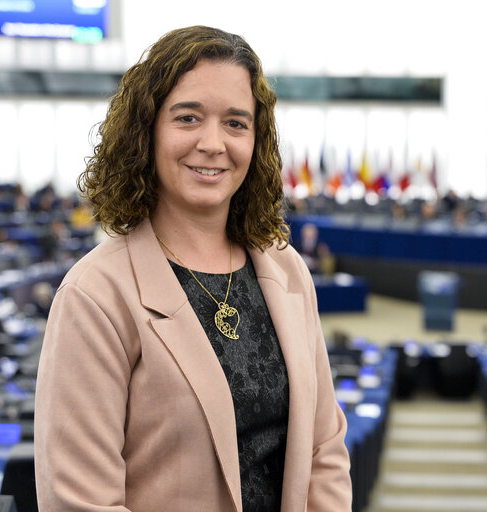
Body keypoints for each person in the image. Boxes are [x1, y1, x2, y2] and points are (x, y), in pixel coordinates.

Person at [34, 26, 352, 512]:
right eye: (188, 117)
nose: (212, 143)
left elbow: (324, 450)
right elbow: (79, 502)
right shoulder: (95, 294)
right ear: (147, 131)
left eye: (236, 123)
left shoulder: (288, 271)